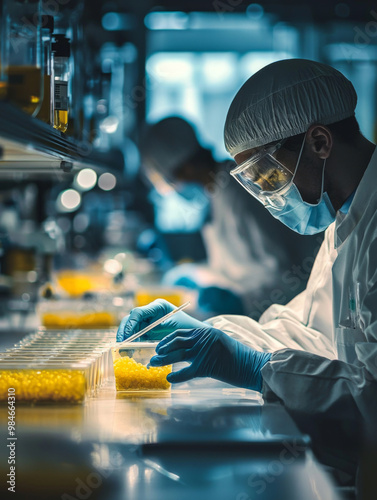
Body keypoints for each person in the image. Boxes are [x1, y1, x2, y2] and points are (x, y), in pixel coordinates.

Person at [118, 59, 377, 480]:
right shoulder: (346, 224)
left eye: (267, 174)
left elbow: (371, 403)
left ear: (319, 143)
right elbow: (309, 330)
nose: (266, 196)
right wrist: (213, 334)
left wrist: (255, 367)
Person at [140, 116, 318, 317]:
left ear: (187, 169)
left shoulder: (238, 193)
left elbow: (283, 278)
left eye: (171, 184)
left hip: (283, 316)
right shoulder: (216, 194)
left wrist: (241, 303)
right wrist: (198, 273)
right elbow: (235, 269)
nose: (175, 192)